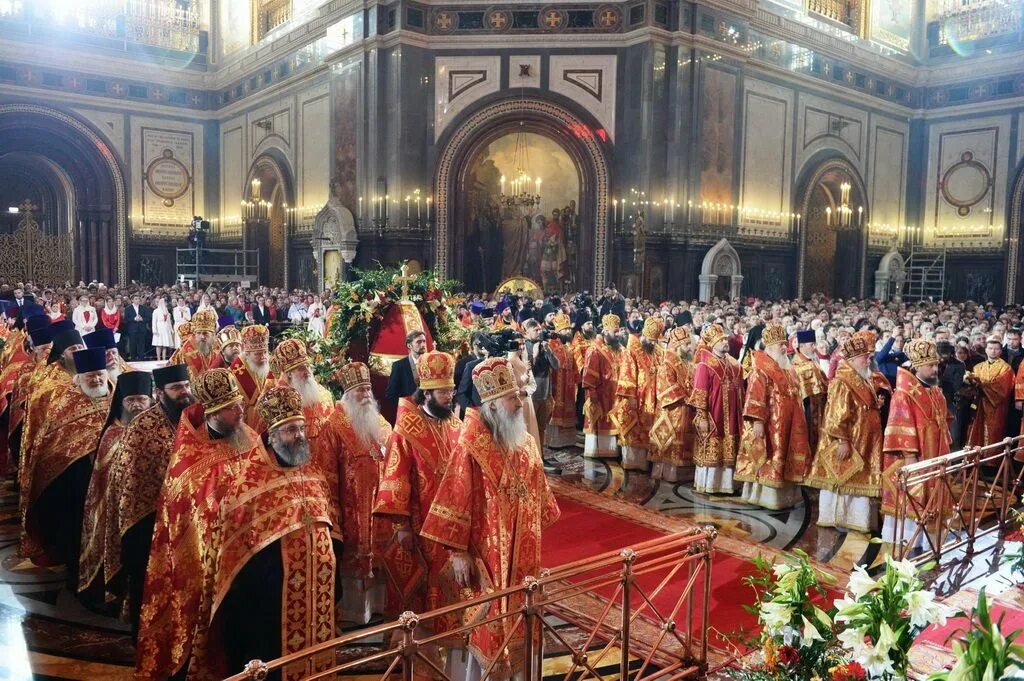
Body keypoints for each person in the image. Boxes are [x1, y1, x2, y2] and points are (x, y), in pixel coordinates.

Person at [136, 377, 339, 681]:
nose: (242, 411)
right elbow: (219, 527)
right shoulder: (204, 465)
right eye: (232, 408)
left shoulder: (285, 460)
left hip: (313, 587)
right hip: (239, 575)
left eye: (301, 428)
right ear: (213, 412)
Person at [420, 356, 561, 680]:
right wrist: (458, 551)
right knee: (489, 623)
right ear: (494, 405)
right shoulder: (471, 446)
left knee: (523, 615)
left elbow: (539, 495)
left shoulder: (524, 442)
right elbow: (456, 496)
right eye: (513, 398)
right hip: (488, 554)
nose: (519, 403)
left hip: (524, 552)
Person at [373, 351, 462, 629]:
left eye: (451, 389)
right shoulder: (405, 432)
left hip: (451, 526)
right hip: (420, 523)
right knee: (421, 589)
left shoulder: (456, 425)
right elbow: (395, 477)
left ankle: (448, 633)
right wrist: (401, 526)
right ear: (426, 393)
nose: (449, 396)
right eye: (443, 391)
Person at [105, 364, 193, 638]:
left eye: (186, 386)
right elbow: (130, 482)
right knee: (146, 581)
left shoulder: (193, 420)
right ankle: (144, 636)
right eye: (177, 388)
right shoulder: (143, 427)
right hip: (146, 520)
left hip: (186, 518)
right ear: (159, 392)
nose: (184, 393)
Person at [21, 347, 110, 590]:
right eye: (89, 375)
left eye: (100, 374)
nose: (96, 379)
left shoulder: (114, 399)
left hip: (109, 484)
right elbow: (53, 446)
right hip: (73, 484)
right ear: (79, 378)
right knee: (75, 533)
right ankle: (76, 576)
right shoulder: (64, 402)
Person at [319, 361, 393, 624]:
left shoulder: (381, 423)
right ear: (348, 394)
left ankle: (379, 612)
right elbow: (326, 475)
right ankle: (355, 617)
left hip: (380, 509)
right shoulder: (334, 426)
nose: (365, 396)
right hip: (351, 514)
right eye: (359, 390)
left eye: (367, 390)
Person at [78, 371, 153, 606]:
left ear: (151, 401)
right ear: (121, 402)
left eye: (141, 399)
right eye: (130, 401)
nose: (136, 405)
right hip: (114, 508)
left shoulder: (160, 431)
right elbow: (102, 478)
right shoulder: (111, 434)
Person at [804, 335, 884, 533]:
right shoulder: (843, 381)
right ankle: (842, 518)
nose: (868, 360)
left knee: (858, 479)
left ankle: (858, 519)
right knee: (844, 478)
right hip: (850, 441)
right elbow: (836, 415)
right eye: (865, 356)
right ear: (853, 359)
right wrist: (842, 440)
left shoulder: (861, 377)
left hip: (864, 440)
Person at [881, 339, 952, 547]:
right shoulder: (903, 394)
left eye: (936, 365)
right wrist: (910, 458)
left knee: (933, 494)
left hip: (936, 454)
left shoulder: (935, 390)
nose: (935, 369)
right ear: (917, 366)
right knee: (913, 499)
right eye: (931, 366)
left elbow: (943, 421)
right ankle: (909, 540)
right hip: (915, 456)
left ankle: (927, 539)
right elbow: (900, 426)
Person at [735, 324, 811, 510]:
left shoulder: (788, 367)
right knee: (771, 455)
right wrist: (758, 421)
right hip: (771, 422)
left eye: (785, 343)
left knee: (788, 456)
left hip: (791, 422)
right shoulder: (761, 368)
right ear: (768, 347)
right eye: (780, 345)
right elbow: (755, 395)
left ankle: (786, 496)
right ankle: (765, 497)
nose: (784, 348)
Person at [690, 324, 744, 494]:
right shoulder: (704, 365)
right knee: (713, 445)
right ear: (713, 344)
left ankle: (727, 485)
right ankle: (709, 484)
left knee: (729, 448)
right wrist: (702, 417)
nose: (725, 342)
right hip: (714, 413)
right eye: (720, 340)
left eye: (725, 339)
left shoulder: (734, 363)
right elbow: (699, 393)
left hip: (732, 414)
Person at [611, 317, 663, 470]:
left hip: (654, 398)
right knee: (635, 429)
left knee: (650, 429)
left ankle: (647, 462)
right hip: (638, 398)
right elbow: (627, 374)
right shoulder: (632, 351)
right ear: (644, 336)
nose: (653, 343)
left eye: (656, 340)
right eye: (651, 340)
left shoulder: (658, 351)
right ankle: (633, 462)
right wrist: (631, 397)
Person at [650, 326, 697, 481]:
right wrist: (684, 398)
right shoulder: (667, 363)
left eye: (690, 344)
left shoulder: (687, 362)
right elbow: (666, 384)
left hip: (688, 406)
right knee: (671, 441)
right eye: (686, 345)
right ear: (677, 346)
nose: (690, 348)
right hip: (673, 409)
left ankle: (685, 474)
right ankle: (670, 474)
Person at [581, 314, 622, 460]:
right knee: (600, 421)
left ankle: (612, 451)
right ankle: (597, 450)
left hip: (615, 394)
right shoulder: (594, 350)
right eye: (614, 332)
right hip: (600, 394)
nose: (618, 335)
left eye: (618, 331)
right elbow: (588, 376)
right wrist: (592, 395)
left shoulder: (618, 349)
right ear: (605, 331)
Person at [966, 336, 1014, 448]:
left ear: (1001, 351)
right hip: (979, 405)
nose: (993, 351)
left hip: (996, 406)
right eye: (990, 348)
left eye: (996, 349)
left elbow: (1002, 388)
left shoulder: (1006, 368)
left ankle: (991, 460)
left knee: (995, 431)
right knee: (976, 429)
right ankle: (976, 456)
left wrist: (981, 383)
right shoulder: (978, 367)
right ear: (986, 350)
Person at [523, 319, 560, 453]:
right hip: (531, 395)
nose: (539, 332)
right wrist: (535, 354)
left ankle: (540, 455)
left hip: (545, 393)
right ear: (527, 332)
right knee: (530, 427)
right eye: (535, 330)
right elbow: (525, 371)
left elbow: (557, 366)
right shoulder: (524, 347)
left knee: (541, 427)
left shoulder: (544, 345)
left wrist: (548, 351)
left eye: (540, 330)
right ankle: (530, 455)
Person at [792, 329, 828, 455]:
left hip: (819, 407)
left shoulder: (813, 362)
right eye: (811, 345)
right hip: (807, 408)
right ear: (801, 346)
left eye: (814, 344)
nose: (814, 347)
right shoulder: (796, 364)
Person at [231, 324, 274, 429]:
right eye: (258, 354)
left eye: (265, 352)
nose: (263, 357)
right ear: (247, 355)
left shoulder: (272, 366)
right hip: (246, 422)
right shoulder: (234, 373)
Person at [545, 314, 578, 449]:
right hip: (556, 384)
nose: (568, 332)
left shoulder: (568, 346)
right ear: (558, 331)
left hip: (568, 385)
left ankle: (567, 441)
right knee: (556, 410)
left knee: (568, 409)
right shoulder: (551, 344)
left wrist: (576, 377)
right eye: (565, 329)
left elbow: (574, 363)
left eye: (569, 329)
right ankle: (554, 441)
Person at [168, 308, 222, 382]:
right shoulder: (184, 352)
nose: (202, 337)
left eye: (205, 333)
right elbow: (175, 376)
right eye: (199, 333)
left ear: (213, 334)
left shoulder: (221, 349)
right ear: (195, 334)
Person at [385, 330, 428, 409]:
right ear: (409, 346)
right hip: (409, 412)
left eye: (424, 341)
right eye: (418, 342)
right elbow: (391, 395)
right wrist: (406, 409)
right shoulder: (399, 366)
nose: (423, 345)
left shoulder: (431, 363)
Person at [122, 294, 151, 361]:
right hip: (132, 330)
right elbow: (126, 320)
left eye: (138, 299)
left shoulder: (144, 308)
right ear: (132, 300)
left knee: (141, 344)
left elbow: (148, 318)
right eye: (136, 299)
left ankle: (141, 358)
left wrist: (142, 319)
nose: (137, 300)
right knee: (132, 345)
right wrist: (134, 319)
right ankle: (133, 359)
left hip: (142, 329)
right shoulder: (128, 309)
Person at [150, 297, 174, 362]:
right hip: (159, 328)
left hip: (165, 328)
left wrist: (171, 329)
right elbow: (154, 321)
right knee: (158, 344)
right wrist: (154, 330)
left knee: (164, 344)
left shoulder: (166, 311)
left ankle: (163, 359)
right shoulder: (156, 311)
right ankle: (158, 358)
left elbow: (169, 321)